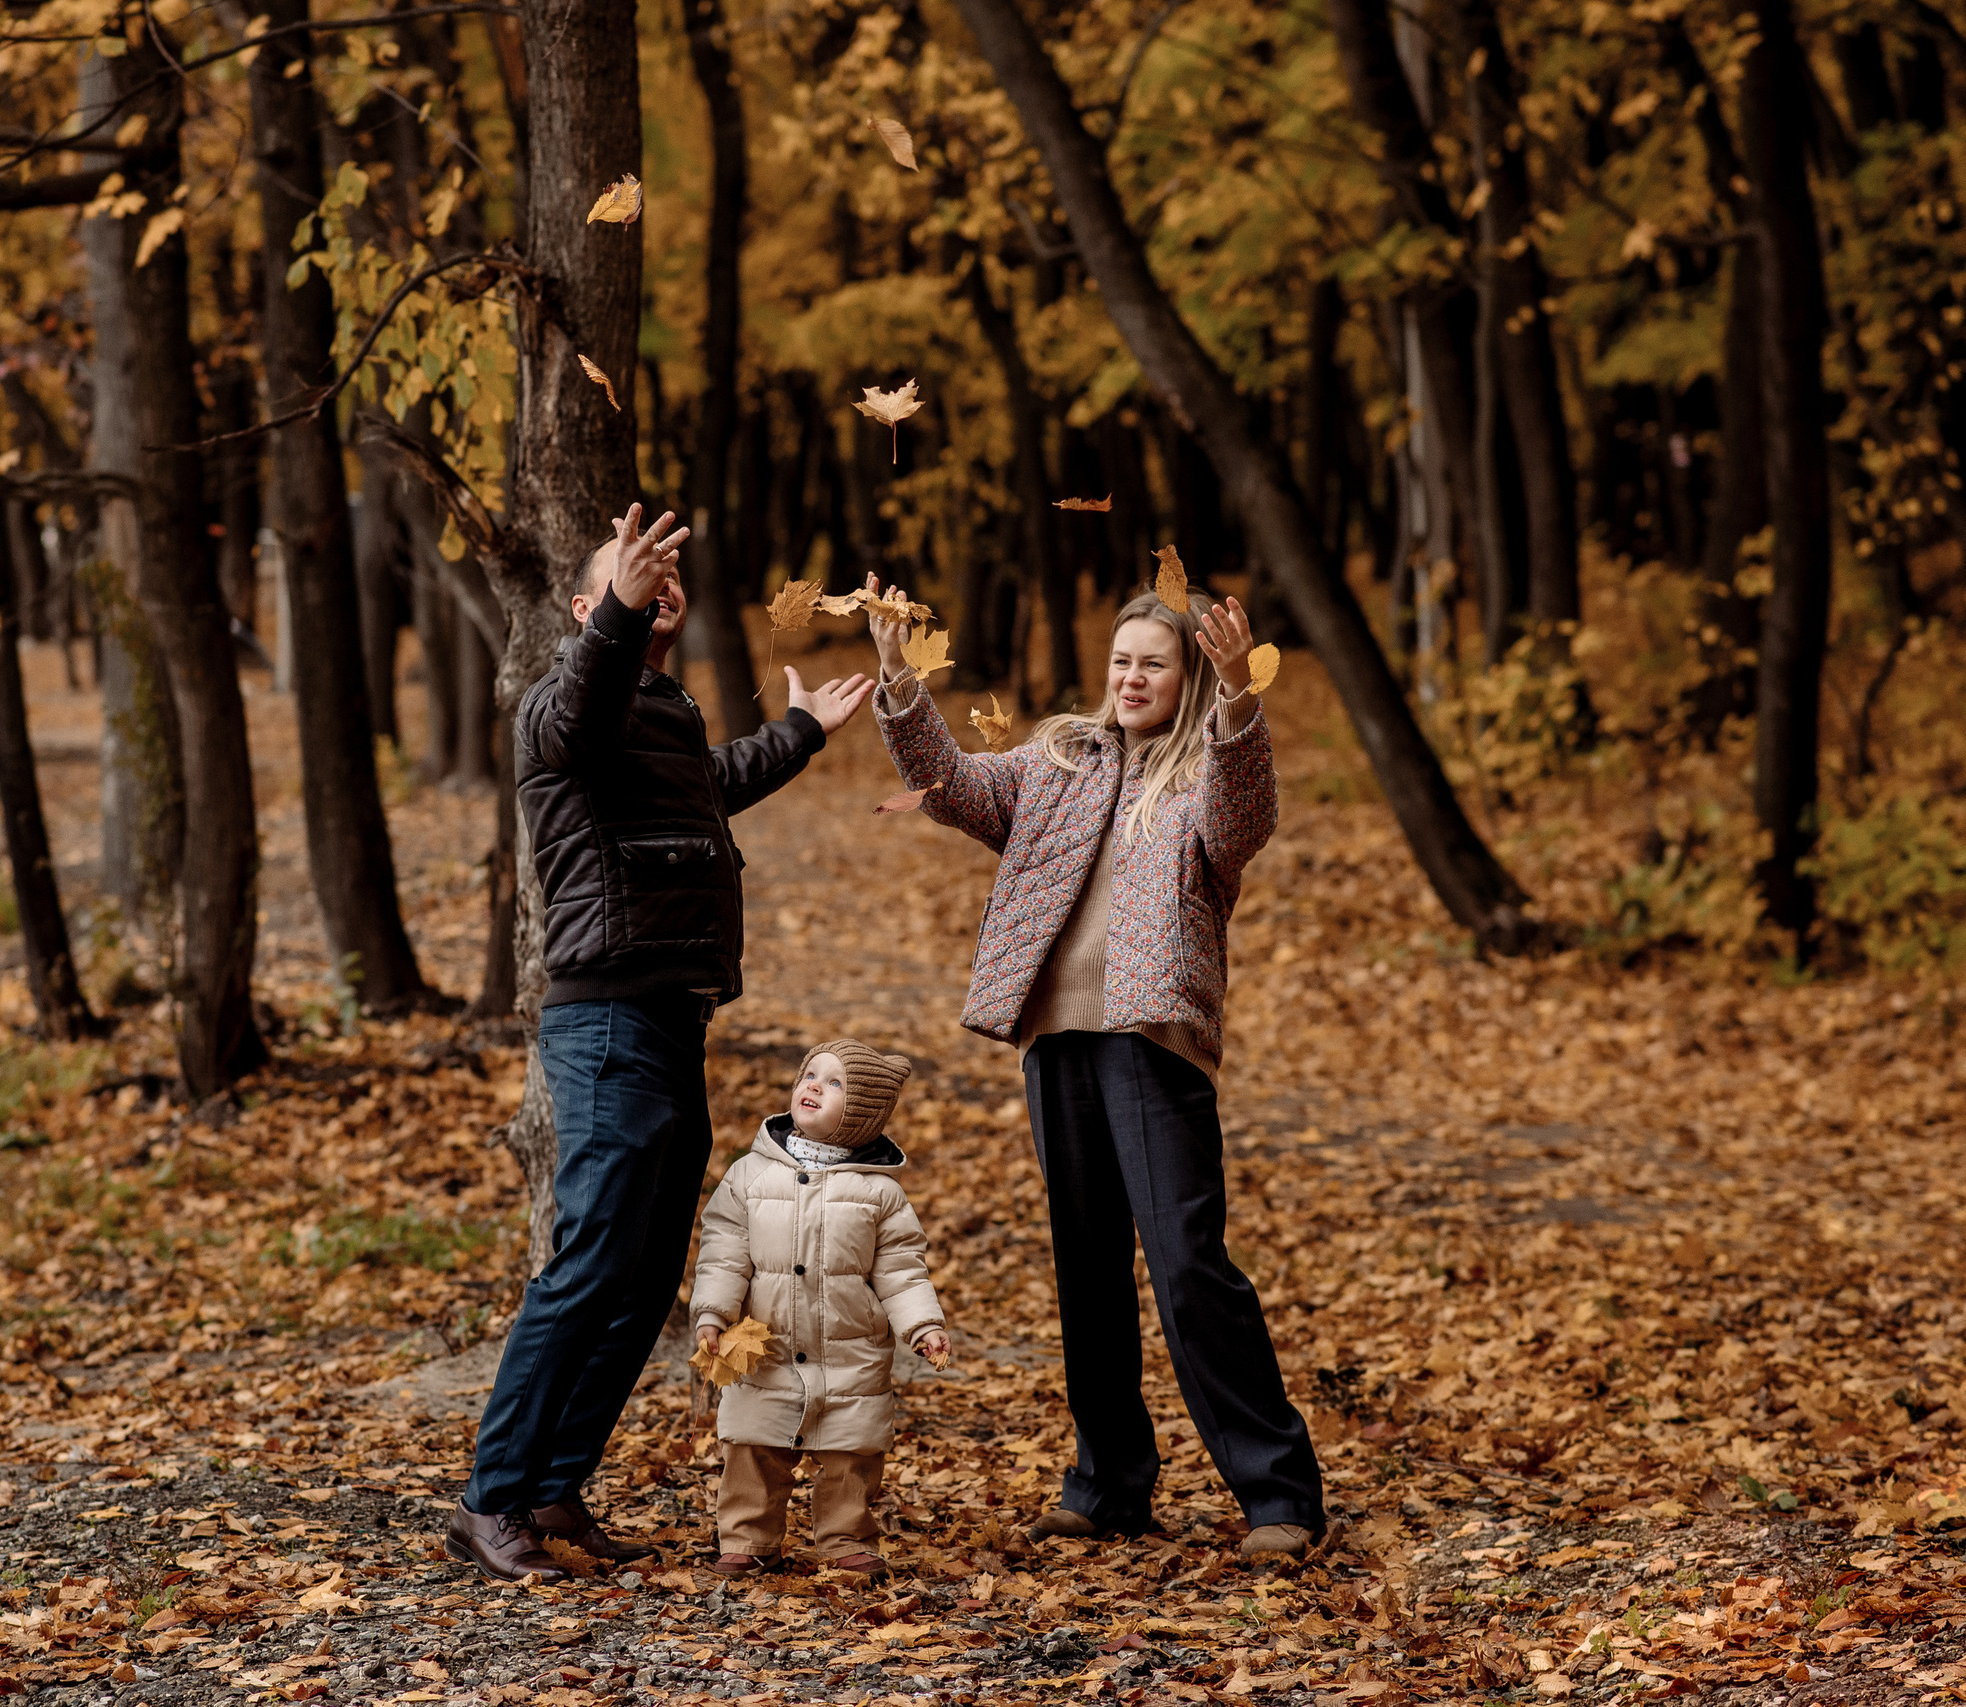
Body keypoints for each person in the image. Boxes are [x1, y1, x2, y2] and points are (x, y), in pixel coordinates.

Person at [445, 505, 876, 1583]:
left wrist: (804, 732)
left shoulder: (658, 712)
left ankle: (553, 1487)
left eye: (666, 576)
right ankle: (492, 1499)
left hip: (671, 1020)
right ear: (588, 610)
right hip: (603, 1023)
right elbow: (580, 709)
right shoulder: (564, 705)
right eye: (633, 577)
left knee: (641, 1278)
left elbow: (708, 787)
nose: (660, 583)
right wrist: (617, 616)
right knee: (591, 1263)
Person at [866, 572, 1330, 1561]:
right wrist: (898, 679)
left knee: (1187, 1265)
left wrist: (1239, 698)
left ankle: (1277, 1495)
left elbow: (1245, 819)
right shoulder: (1057, 760)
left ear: (1187, 676)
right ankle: (1108, 1482)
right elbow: (947, 783)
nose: (1129, 677)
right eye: (1120, 660)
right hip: (1057, 1038)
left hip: (1151, 1044)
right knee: (1086, 1266)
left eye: (1151, 664)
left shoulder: (1206, 772)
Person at [689, 1039, 951, 1579]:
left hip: (849, 1349)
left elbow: (901, 1270)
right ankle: (748, 1537)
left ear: (860, 1115)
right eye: (810, 1074)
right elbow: (723, 1249)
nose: (813, 1085)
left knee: (852, 1450)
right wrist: (713, 1311)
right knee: (753, 1444)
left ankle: (845, 1537)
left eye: (834, 1083)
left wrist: (923, 1325)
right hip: (768, 1344)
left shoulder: (879, 1194)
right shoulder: (750, 1177)